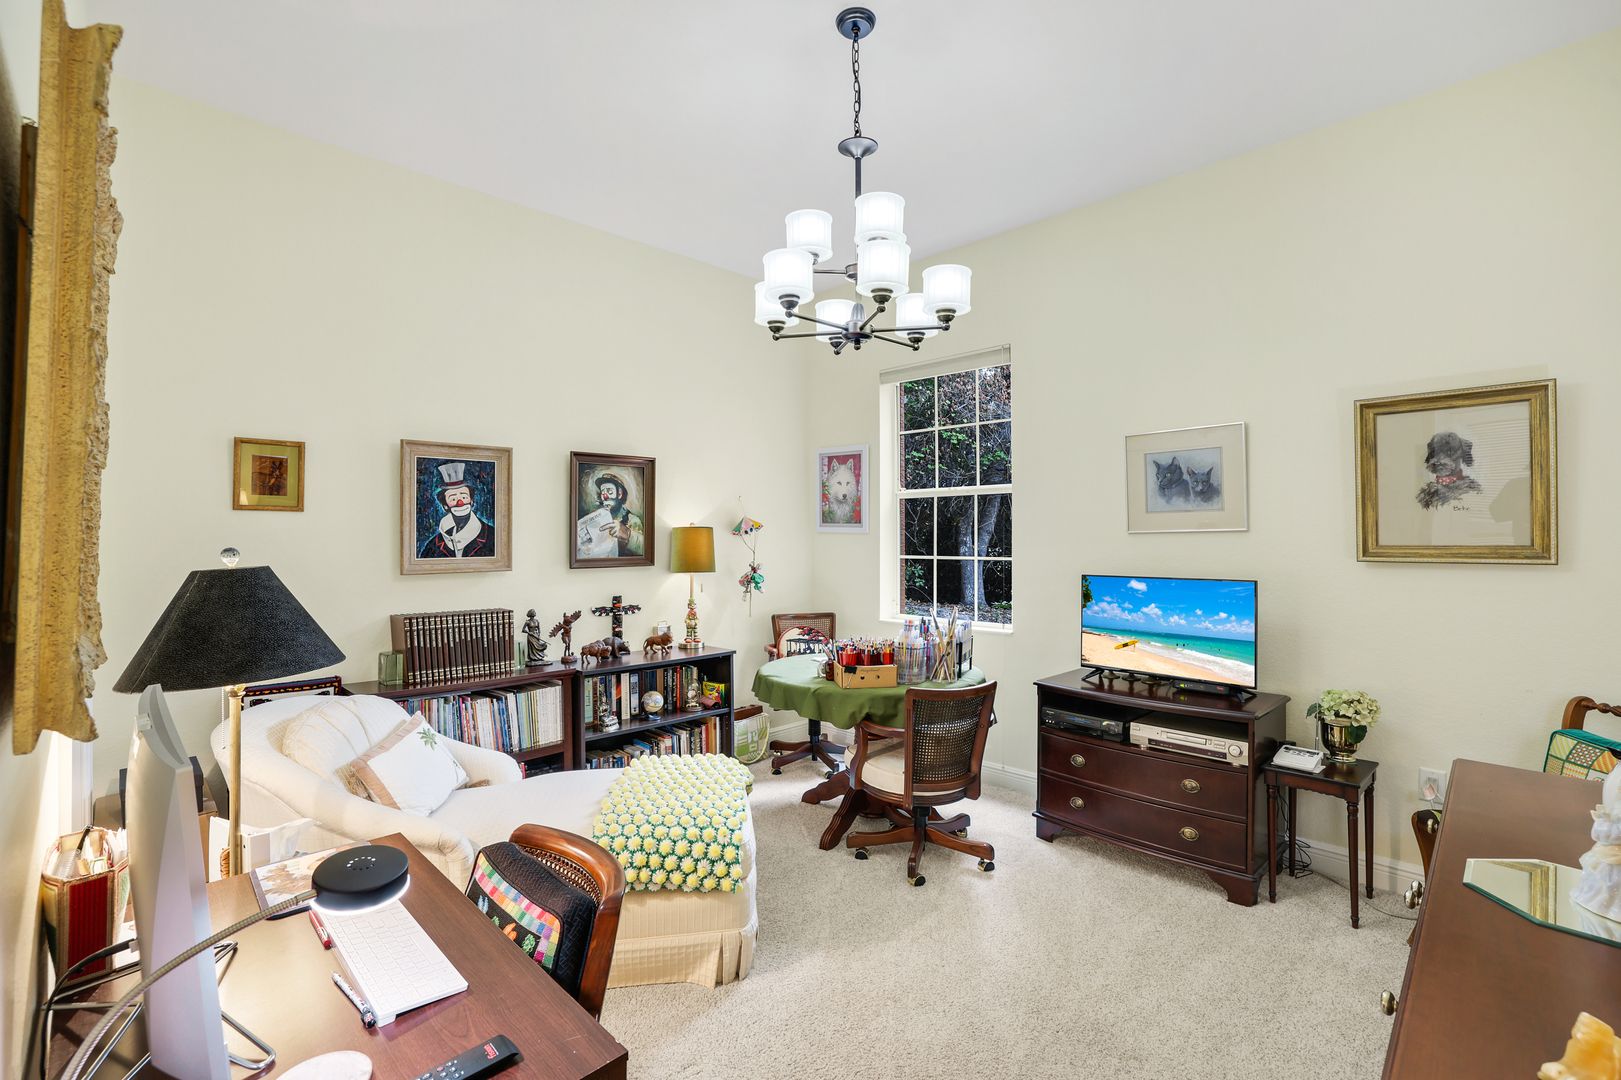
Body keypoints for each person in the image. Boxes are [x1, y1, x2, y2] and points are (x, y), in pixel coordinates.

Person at [419, 461, 496, 559]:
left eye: (464, 497)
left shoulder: (492, 536)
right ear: (445, 506)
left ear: (471, 501)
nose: (460, 503)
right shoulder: (434, 545)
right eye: (453, 499)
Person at [579, 472, 644, 558]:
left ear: (619, 494)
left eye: (610, 491)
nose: (605, 496)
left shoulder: (633, 520)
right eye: (603, 492)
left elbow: (643, 549)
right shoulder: (598, 518)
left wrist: (627, 535)